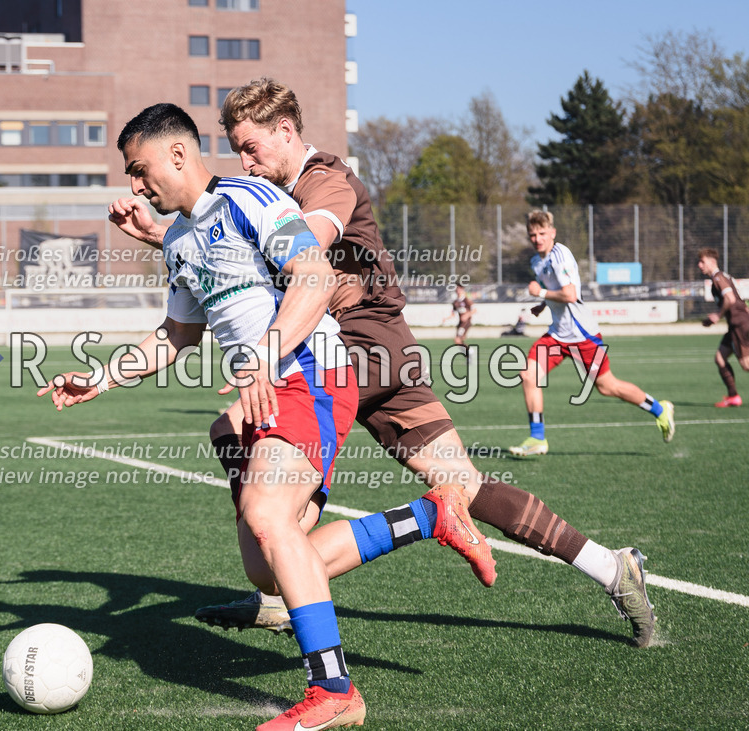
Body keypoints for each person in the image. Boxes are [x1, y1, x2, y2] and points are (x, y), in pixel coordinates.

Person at [110, 78, 657, 649]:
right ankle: (611, 566)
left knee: (237, 432)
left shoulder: (325, 180)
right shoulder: (265, 193)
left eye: (251, 147)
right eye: (236, 151)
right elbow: (237, 252)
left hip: (354, 347)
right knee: (464, 487)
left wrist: (175, 238)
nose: (244, 162)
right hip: (386, 352)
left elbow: (303, 250)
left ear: (286, 131)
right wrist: (167, 235)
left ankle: (277, 586)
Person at [47, 102, 373, 730]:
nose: (135, 186)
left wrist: (263, 358)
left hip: (313, 373)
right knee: (267, 567)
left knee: (268, 518)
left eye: (139, 169)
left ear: (177, 154)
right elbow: (177, 335)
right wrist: (101, 378)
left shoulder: (252, 199)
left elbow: (314, 277)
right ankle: (429, 516)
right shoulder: (179, 242)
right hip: (270, 387)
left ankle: (334, 691)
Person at [509, 210, 675, 457]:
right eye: (533, 235)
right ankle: (537, 438)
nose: (537, 239)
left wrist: (540, 294)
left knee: (607, 387)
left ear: (552, 233)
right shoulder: (537, 261)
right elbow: (555, 289)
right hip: (557, 336)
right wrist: (543, 304)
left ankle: (660, 410)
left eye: (542, 233)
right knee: (529, 375)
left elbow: (570, 295)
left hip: (582, 335)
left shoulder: (560, 255)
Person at [697, 247, 749, 407]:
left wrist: (717, 315)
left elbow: (730, 299)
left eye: (702, 261)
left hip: (739, 324)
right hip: (736, 325)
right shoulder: (721, 277)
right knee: (720, 358)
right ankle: (733, 396)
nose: (699, 265)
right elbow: (738, 301)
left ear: (712, 262)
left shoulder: (718, 277)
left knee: (746, 365)